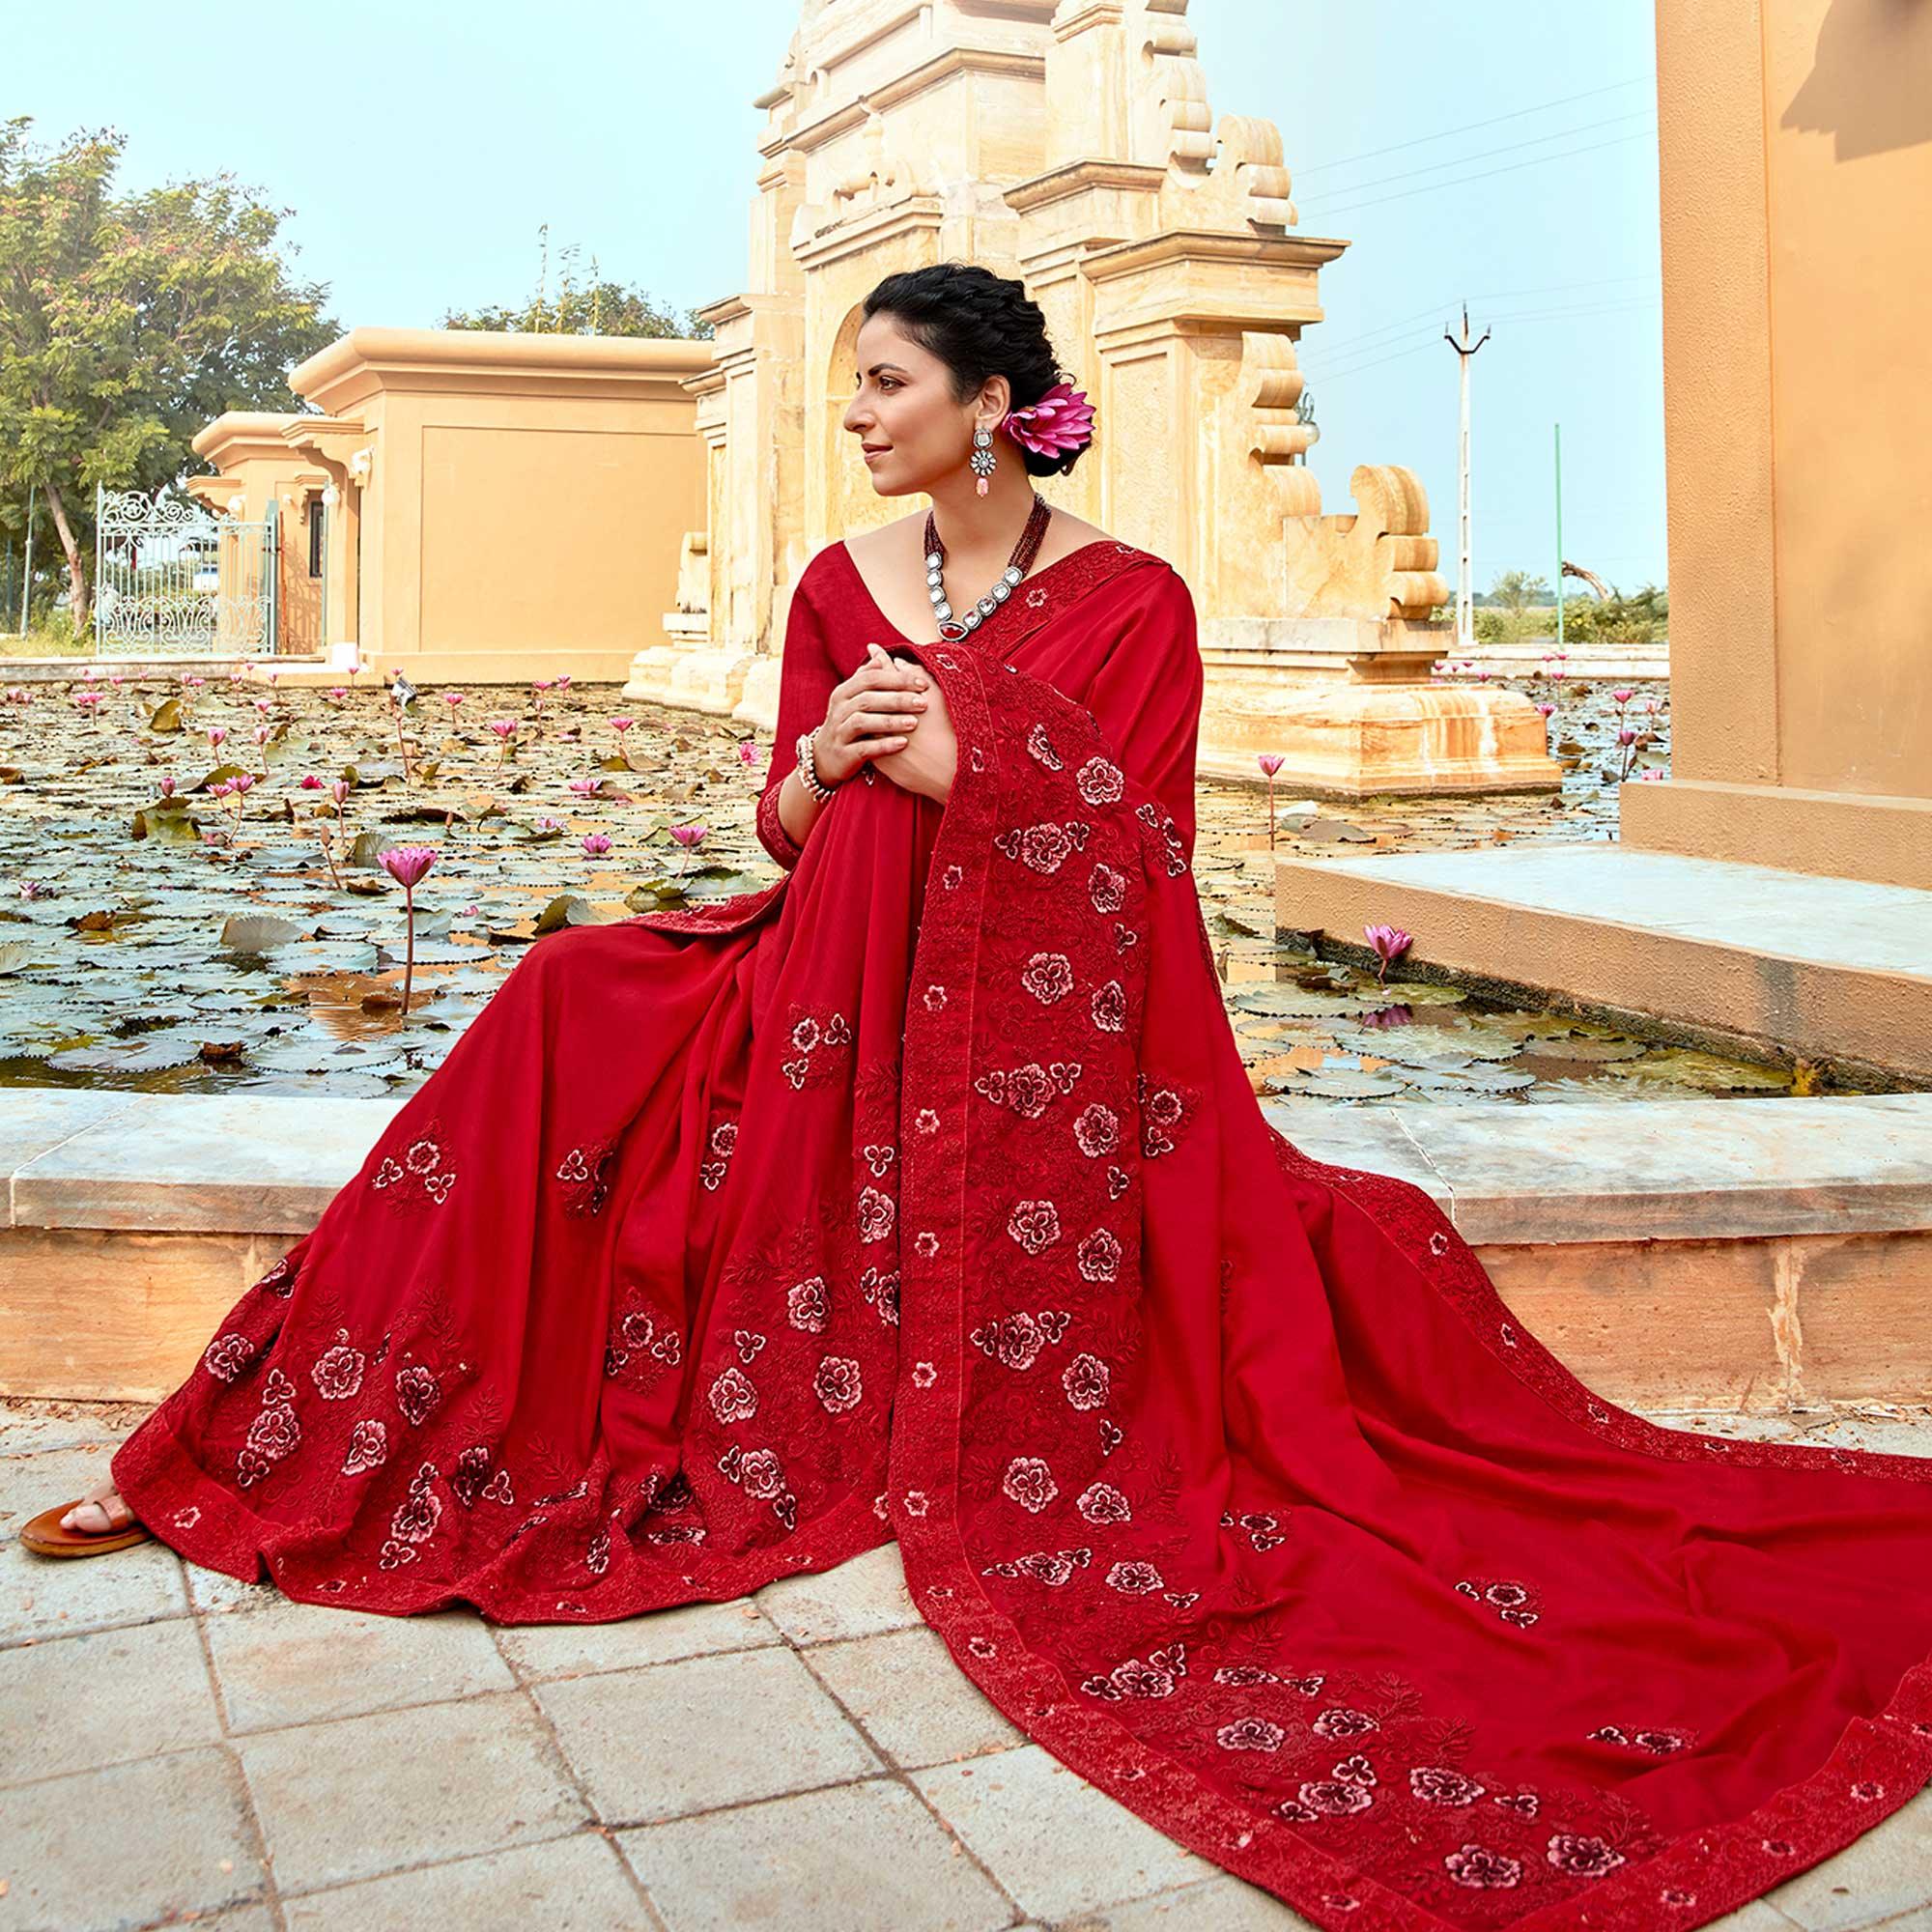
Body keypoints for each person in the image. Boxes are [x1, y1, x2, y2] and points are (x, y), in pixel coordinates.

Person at [25, 263, 1932, 1932]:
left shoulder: (1136, 603)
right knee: (562, 986)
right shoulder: (829, 586)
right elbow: (773, 826)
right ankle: (257, 1436)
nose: (850, 415)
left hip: (1005, 1063)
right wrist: (832, 767)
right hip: (814, 981)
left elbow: (1151, 867)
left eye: (884, 386)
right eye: (846, 383)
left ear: (991, 410)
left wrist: (963, 761)